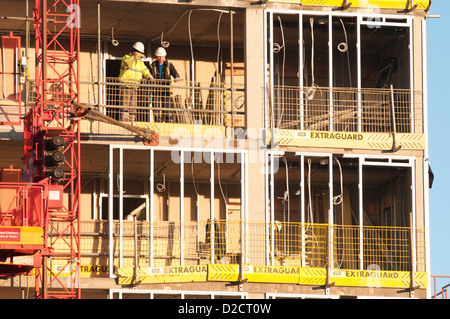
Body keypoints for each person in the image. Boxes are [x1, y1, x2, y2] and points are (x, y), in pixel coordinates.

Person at [118, 42, 153, 122]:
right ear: (134, 51)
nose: (140, 54)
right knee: (125, 105)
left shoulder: (140, 62)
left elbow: (145, 70)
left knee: (133, 106)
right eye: (139, 52)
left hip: (134, 87)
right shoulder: (126, 58)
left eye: (140, 53)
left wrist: (149, 76)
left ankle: (132, 121)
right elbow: (127, 63)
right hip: (125, 85)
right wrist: (137, 57)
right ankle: (124, 120)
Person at [149, 47, 182, 122]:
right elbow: (148, 75)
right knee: (156, 107)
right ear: (156, 56)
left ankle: (166, 121)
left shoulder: (169, 65)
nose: (161, 58)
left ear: (165, 56)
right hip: (156, 89)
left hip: (166, 89)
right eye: (159, 56)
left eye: (162, 56)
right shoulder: (153, 65)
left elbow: (175, 73)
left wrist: (177, 78)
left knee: (166, 107)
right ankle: (158, 122)